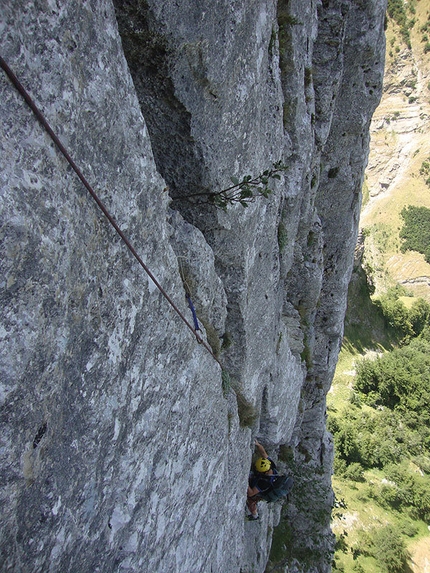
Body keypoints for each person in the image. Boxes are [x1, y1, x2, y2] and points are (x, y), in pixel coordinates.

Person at [246, 439, 278, 520]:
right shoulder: (270, 465)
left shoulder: (264, 483)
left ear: (264, 473)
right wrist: (258, 445)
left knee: (251, 501)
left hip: (262, 492)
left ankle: (255, 515)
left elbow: (251, 493)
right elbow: (263, 453)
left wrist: (244, 481)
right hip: (260, 480)